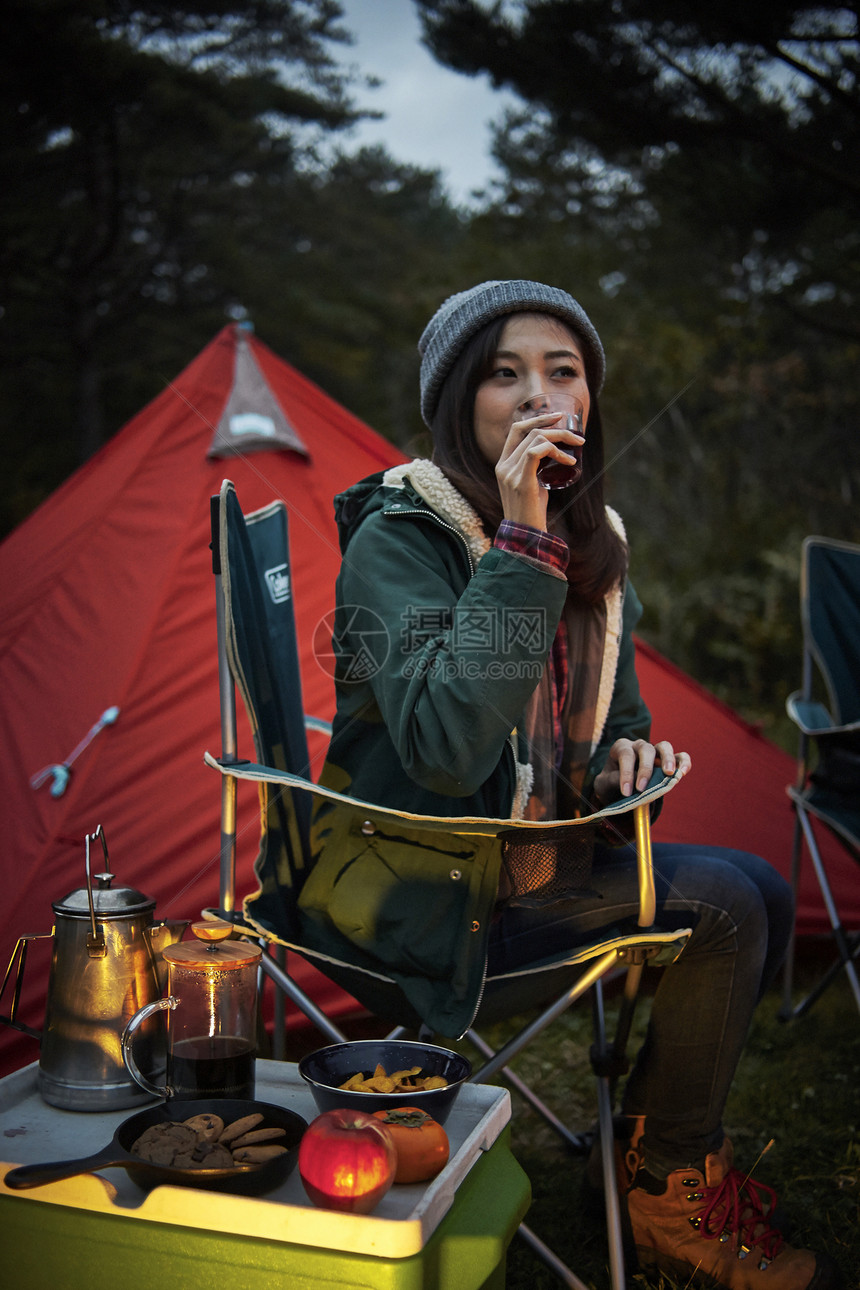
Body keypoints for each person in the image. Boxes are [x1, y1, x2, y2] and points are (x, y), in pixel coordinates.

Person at [298, 280, 839, 1289]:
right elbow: (450, 752)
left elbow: (613, 725)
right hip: (416, 904)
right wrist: (518, 544)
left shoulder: (596, 538)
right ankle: (665, 1182)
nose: (539, 396)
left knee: (761, 885)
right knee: (722, 907)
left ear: (590, 397)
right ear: (461, 402)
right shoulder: (400, 538)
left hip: (530, 869)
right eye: (504, 375)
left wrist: (622, 762)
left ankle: (639, 1150)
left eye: (563, 372)